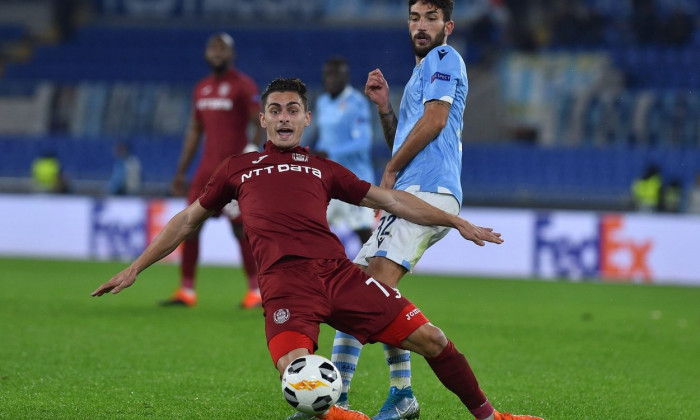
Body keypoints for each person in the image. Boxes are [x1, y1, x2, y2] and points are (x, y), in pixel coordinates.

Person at [91, 78, 542, 420]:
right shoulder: (238, 168)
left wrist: (456, 220)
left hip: (340, 276)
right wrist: (136, 268)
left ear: (307, 119)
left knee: (434, 339)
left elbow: (391, 200)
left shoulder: (322, 168)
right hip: (285, 286)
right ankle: (332, 412)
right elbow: (188, 220)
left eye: (292, 110)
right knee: (295, 370)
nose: (284, 118)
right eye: (275, 111)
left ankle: (492, 417)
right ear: (263, 119)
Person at [329, 1, 469, 418]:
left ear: (448, 26)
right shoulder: (419, 75)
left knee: (368, 296)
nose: (421, 26)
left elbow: (437, 121)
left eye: (430, 18)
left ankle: (354, 397)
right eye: (414, 17)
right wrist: (386, 108)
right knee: (359, 288)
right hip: (414, 192)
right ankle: (358, 396)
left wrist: (388, 171)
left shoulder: (445, 57)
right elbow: (405, 142)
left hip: (426, 191)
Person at [162, 32, 264, 309]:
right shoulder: (202, 88)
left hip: (233, 172)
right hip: (205, 173)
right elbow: (195, 131)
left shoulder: (242, 86)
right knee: (189, 227)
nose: (217, 53)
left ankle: (255, 292)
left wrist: (252, 149)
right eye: (212, 48)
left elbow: (259, 121)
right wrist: (181, 171)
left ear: (232, 54)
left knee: (241, 229)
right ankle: (186, 291)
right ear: (207, 54)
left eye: (223, 49)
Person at [312, 56, 376, 247]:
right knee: (314, 229)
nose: (330, 79)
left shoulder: (356, 103)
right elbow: (324, 138)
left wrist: (329, 152)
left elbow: (363, 142)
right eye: (327, 75)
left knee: (363, 234)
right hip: (330, 181)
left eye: (335, 75)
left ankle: (379, 274)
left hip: (354, 180)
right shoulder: (322, 102)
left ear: (346, 76)